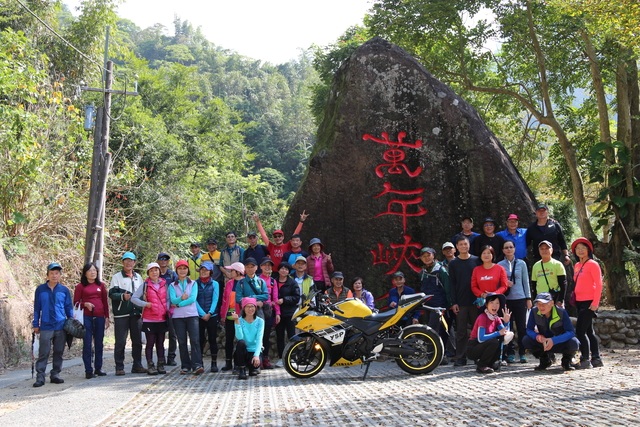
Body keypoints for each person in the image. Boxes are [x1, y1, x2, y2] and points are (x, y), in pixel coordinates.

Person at [32, 262, 73, 387]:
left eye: (57, 273)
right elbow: (36, 308)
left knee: (59, 351)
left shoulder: (64, 290)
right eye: (52, 273)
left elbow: (68, 308)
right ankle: (40, 377)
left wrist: (71, 322)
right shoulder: (40, 290)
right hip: (45, 325)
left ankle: (55, 374)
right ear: (47, 275)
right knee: (44, 352)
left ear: (60, 275)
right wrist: (35, 323)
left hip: (61, 326)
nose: (54, 276)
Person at [109, 251, 147, 375]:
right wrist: (122, 296)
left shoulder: (138, 277)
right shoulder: (117, 277)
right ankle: (119, 367)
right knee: (120, 341)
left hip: (136, 313)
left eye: (131, 261)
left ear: (134, 262)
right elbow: (111, 294)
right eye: (126, 260)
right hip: (122, 314)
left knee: (137, 341)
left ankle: (137, 365)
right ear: (122, 262)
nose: (128, 263)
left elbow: (141, 294)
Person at [523, 292, 580, 371]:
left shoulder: (562, 312)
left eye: (544, 304)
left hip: (560, 342)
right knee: (526, 340)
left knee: (574, 342)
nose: (541, 307)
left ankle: (566, 361)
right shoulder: (534, 311)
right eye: (538, 304)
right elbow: (529, 329)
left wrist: (554, 340)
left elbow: (571, 332)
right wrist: (537, 336)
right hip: (543, 343)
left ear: (552, 303)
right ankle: (545, 359)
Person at [571, 237, 604, 369]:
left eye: (583, 248)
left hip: (589, 302)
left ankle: (585, 359)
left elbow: (599, 284)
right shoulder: (577, 265)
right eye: (578, 248)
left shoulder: (593, 264)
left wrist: (595, 303)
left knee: (580, 331)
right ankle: (596, 358)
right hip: (579, 302)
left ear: (588, 250)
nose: (580, 250)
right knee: (589, 331)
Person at [448, 236, 480, 367]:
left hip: (476, 301)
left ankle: (478, 356)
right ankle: (461, 357)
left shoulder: (476, 260)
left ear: (469, 245)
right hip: (460, 302)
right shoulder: (453, 263)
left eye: (465, 244)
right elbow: (452, 284)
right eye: (460, 244)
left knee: (477, 330)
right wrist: (453, 302)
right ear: (457, 247)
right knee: (461, 331)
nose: (463, 246)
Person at [131, 262, 169, 375]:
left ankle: (161, 365)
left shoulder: (164, 284)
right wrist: (145, 304)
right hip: (149, 319)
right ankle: (150, 365)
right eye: (152, 270)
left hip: (162, 318)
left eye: (156, 270)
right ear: (148, 273)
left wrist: (166, 309)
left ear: (159, 271)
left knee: (161, 343)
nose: (154, 272)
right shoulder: (145, 285)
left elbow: (168, 299)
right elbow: (134, 298)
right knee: (150, 343)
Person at [73, 262, 109, 379]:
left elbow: (105, 302)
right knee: (87, 343)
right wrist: (85, 304)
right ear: (85, 273)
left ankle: (98, 367)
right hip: (86, 317)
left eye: (94, 270)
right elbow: (76, 302)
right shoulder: (80, 286)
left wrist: (107, 317)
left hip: (99, 317)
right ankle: (88, 370)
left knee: (99, 343)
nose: (92, 272)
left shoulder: (101, 286)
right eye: (90, 270)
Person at [498, 240, 531, 363]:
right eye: (506, 247)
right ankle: (510, 352)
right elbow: (498, 282)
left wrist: (528, 298)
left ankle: (522, 352)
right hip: (506, 300)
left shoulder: (521, 263)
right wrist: (506, 283)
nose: (509, 249)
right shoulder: (500, 265)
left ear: (515, 249)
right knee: (508, 327)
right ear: (503, 250)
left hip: (520, 298)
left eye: (511, 247)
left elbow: (525, 281)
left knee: (522, 327)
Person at [168, 259, 204, 375]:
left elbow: (193, 298)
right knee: (182, 341)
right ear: (176, 270)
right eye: (180, 268)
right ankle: (185, 366)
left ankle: (197, 364)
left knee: (195, 340)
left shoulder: (193, 283)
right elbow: (172, 299)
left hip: (191, 315)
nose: (182, 271)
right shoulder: (172, 285)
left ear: (188, 270)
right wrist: (181, 299)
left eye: (184, 268)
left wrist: (178, 303)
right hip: (178, 317)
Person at [418, 247, 452, 363]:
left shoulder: (441, 270)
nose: (426, 258)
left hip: (439, 305)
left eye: (428, 255)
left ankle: (441, 355)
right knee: (429, 329)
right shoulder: (422, 272)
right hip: (427, 305)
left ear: (434, 255)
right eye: (424, 256)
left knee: (437, 330)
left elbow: (448, 288)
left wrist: (449, 304)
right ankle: (433, 354)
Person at [467, 293, 513, 374]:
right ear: (486, 305)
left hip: (485, 344)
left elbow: (505, 333)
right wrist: (497, 333)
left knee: (503, 340)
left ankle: (490, 363)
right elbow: (481, 338)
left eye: (497, 303)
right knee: (494, 341)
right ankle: (482, 365)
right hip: (473, 347)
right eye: (492, 303)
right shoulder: (482, 317)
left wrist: (506, 322)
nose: (494, 306)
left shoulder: (497, 318)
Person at [195, 261, 221, 373]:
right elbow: (194, 299)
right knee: (199, 339)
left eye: (206, 270)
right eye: (202, 269)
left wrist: (210, 313)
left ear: (211, 272)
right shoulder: (195, 283)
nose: (203, 272)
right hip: (199, 316)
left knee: (212, 339)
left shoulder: (215, 284)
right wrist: (202, 314)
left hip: (212, 315)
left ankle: (214, 363)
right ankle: (199, 363)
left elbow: (215, 299)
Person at [219, 262, 245, 372]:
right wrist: (222, 315)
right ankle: (228, 362)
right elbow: (224, 300)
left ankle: (239, 363)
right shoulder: (229, 283)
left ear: (238, 272)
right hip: (229, 314)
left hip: (241, 315)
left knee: (240, 340)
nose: (230, 273)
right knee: (229, 340)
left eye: (232, 271)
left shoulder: (245, 282)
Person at [274, 262, 300, 368]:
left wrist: (284, 300)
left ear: (289, 271)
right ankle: (281, 358)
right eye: (282, 268)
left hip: (289, 313)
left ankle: (293, 357)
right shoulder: (274, 281)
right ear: (278, 270)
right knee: (279, 337)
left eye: (286, 269)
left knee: (292, 336)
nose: (284, 270)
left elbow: (296, 298)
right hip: (277, 314)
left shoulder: (292, 283)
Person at [232, 297, 265, 379]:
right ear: (243, 308)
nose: (250, 309)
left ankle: (252, 368)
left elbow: (259, 339)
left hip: (254, 351)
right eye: (248, 307)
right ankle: (242, 369)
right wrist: (236, 322)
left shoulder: (260, 321)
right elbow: (240, 337)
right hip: (243, 351)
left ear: (255, 308)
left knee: (253, 371)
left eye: (252, 306)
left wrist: (256, 355)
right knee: (241, 342)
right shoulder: (239, 320)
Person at [157, 252, 178, 367]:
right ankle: (161, 357)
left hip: (171, 308)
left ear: (168, 262)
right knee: (160, 334)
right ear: (158, 261)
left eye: (165, 259)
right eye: (161, 259)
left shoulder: (172, 275)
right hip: (158, 308)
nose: (163, 261)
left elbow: (177, 287)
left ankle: (171, 357)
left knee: (172, 334)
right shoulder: (155, 274)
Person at [531, 240, 567, 305]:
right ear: (539, 251)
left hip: (554, 298)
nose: (544, 250)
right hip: (540, 299)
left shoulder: (558, 264)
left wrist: (560, 300)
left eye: (547, 248)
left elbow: (563, 284)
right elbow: (534, 285)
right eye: (542, 249)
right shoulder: (535, 266)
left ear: (552, 250)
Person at [259, 257, 279, 369]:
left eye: (269, 265)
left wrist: (278, 313)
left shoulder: (273, 281)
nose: (267, 267)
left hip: (268, 311)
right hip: (258, 310)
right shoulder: (257, 279)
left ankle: (265, 359)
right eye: (265, 265)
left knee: (266, 336)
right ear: (261, 267)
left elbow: (275, 298)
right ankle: (257, 359)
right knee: (258, 336)